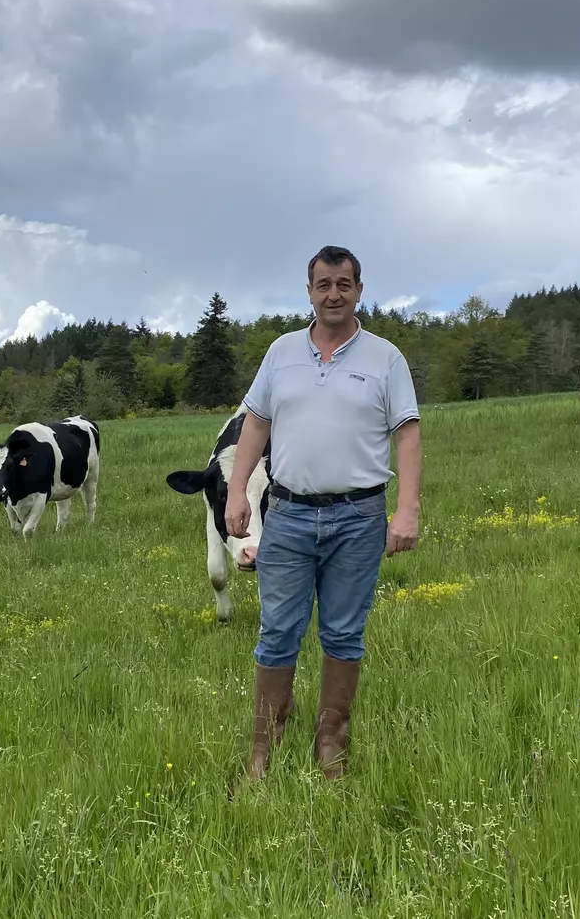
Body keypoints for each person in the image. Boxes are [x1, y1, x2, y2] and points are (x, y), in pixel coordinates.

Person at [225, 245, 422, 782]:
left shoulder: (386, 358)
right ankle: (264, 751)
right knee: (276, 632)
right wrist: (237, 491)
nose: (333, 294)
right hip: (287, 515)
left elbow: (406, 433)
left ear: (359, 290)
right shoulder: (281, 352)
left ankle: (331, 741)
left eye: (343, 284)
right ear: (309, 291)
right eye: (323, 284)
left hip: (358, 519)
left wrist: (407, 508)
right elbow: (256, 423)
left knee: (342, 633)